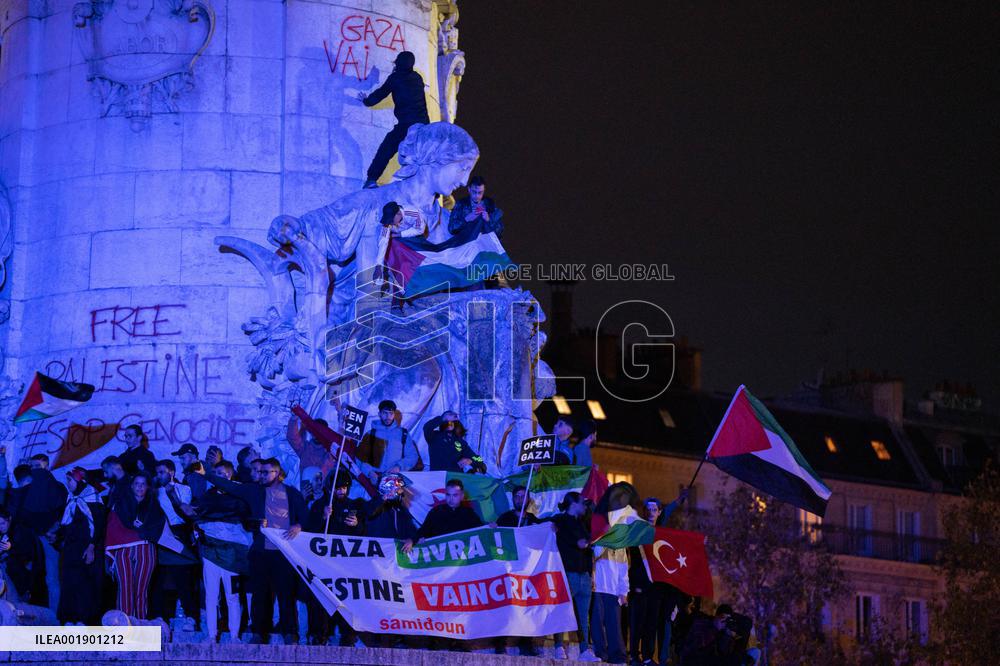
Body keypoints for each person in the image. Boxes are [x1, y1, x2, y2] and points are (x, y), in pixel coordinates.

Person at [205, 458, 306, 645]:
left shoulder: (292, 494)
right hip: (261, 551)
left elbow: (305, 518)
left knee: (286, 594)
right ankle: (259, 632)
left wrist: (298, 525)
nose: (261, 475)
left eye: (266, 472)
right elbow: (230, 487)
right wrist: (206, 474)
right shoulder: (254, 491)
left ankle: (290, 632)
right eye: (260, 472)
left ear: (277, 473)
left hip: (284, 553)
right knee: (260, 593)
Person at [193, 460, 252, 644]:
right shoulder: (207, 497)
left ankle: (234, 636)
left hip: (232, 556)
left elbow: (246, 525)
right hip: (211, 553)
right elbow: (198, 519)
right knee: (211, 595)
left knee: (233, 596)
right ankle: (212, 635)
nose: (223, 476)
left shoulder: (240, 497)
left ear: (231, 474)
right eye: (219, 473)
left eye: (226, 473)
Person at [357, 50, 430, 188]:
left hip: (406, 126)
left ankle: (371, 179)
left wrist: (366, 101)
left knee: (386, 149)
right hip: (423, 126)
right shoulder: (417, 78)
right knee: (422, 158)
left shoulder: (395, 78)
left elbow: (380, 94)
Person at [105, 472, 165, 619]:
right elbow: (112, 527)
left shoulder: (154, 506)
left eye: (143, 484)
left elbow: (158, 528)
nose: (140, 487)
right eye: (137, 484)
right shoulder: (120, 504)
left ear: (148, 487)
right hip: (123, 549)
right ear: (131, 486)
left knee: (141, 589)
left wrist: (144, 528)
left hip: (145, 549)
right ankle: (125, 626)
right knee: (124, 587)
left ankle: (139, 624)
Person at [549, 492, 599, 662]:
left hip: (583, 576)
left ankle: (584, 650)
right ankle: (558, 647)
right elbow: (542, 527)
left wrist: (590, 574)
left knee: (584, 617)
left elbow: (587, 551)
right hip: (567, 574)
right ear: (573, 504)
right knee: (562, 612)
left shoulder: (582, 524)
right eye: (582, 504)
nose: (585, 507)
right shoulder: (559, 521)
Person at [151, 459, 199, 630]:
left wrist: (172, 494)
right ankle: (163, 617)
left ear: (171, 472)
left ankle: (191, 617)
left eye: (162, 472)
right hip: (161, 535)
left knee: (183, 578)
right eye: (157, 473)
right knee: (162, 580)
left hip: (179, 533)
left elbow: (184, 512)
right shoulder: (154, 492)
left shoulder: (184, 489)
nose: (159, 475)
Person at [57, 467, 105, 625]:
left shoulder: (93, 499)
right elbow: (68, 524)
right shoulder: (71, 499)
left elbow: (99, 525)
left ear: (81, 481)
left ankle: (84, 619)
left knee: (84, 584)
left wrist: (91, 547)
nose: (68, 484)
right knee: (69, 582)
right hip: (71, 550)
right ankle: (69, 618)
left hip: (86, 549)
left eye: (70, 480)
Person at [357, 399, 420, 481]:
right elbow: (360, 458)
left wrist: (399, 466)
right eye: (384, 413)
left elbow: (412, 456)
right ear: (379, 414)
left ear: (394, 414)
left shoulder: (403, 434)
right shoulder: (371, 434)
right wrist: (369, 472)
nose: (388, 417)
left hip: (395, 481)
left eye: (391, 413)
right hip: (372, 481)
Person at [409, 478, 483, 545]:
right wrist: (414, 540)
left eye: (455, 495)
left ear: (462, 496)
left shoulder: (469, 513)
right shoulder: (436, 511)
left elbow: (482, 531)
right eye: (448, 495)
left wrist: (491, 527)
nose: (451, 499)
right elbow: (424, 530)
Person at [679, 604, 744, 666]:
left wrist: (726, 636)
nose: (724, 623)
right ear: (716, 616)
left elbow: (722, 653)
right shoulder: (701, 624)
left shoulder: (723, 631)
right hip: (691, 659)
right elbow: (698, 645)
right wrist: (715, 629)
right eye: (722, 618)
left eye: (727, 621)